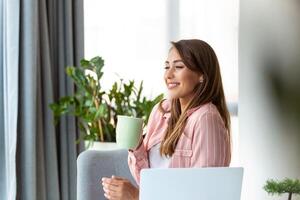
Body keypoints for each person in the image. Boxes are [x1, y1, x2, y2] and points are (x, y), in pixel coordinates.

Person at [101, 39, 231, 200]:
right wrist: (137, 147)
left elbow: (205, 194)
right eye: (166, 67)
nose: (168, 75)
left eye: (178, 67)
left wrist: (136, 196)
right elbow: (147, 179)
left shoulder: (206, 118)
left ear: (202, 76)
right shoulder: (161, 111)